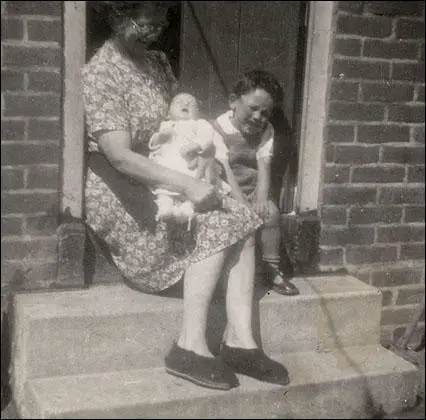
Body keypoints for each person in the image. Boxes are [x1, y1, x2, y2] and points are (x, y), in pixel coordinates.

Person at [82, 1, 290, 391]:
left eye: (163, 19)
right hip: (122, 181)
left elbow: (184, 123)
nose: (159, 27)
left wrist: (207, 159)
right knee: (212, 220)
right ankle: (189, 346)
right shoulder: (101, 72)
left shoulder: (157, 63)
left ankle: (240, 341)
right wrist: (188, 185)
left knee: (241, 217)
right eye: (150, 20)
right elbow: (119, 156)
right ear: (119, 16)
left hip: (169, 168)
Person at [212, 70, 300, 296]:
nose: (258, 117)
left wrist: (261, 198)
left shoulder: (266, 131)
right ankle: (227, 275)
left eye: (265, 113)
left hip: (253, 190)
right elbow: (223, 169)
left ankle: (271, 270)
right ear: (233, 101)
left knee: (270, 213)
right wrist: (240, 201)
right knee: (230, 220)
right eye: (253, 108)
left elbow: (263, 165)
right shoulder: (217, 128)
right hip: (227, 190)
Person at [148, 92, 230, 227]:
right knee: (164, 187)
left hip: (190, 164)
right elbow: (154, 144)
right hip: (169, 164)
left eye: (191, 104)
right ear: (168, 113)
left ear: (198, 113)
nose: (185, 104)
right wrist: (160, 138)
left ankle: (187, 209)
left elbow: (207, 137)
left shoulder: (199, 123)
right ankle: (165, 207)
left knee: (198, 182)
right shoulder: (166, 124)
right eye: (179, 102)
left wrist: (197, 145)